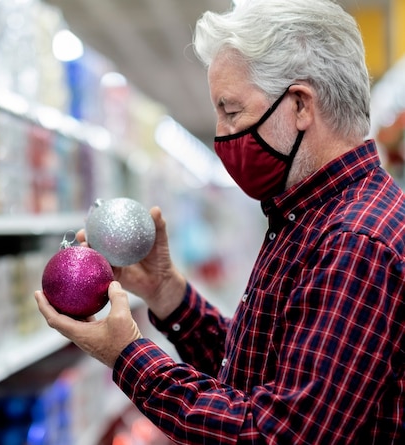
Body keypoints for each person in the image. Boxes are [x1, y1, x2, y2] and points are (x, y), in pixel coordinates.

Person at [34, 0, 405, 443]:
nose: (222, 134)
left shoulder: (354, 240)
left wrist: (127, 356)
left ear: (301, 105)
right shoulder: (307, 217)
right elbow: (258, 372)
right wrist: (168, 294)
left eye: (231, 111)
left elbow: (276, 433)